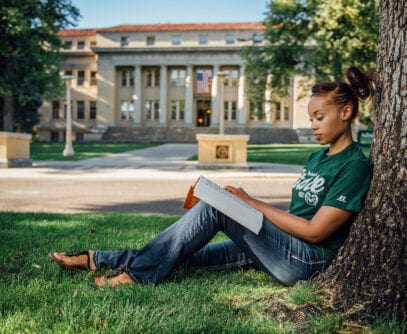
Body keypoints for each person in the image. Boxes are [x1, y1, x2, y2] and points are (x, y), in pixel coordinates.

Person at [49, 67, 374, 288]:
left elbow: (316, 232)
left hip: (305, 261)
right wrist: (252, 213)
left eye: (320, 117)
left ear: (346, 113)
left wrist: (248, 203)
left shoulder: (354, 166)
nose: (314, 125)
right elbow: (297, 217)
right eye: (311, 118)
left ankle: (134, 277)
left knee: (217, 207)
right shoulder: (317, 157)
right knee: (181, 256)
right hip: (279, 246)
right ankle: (97, 258)